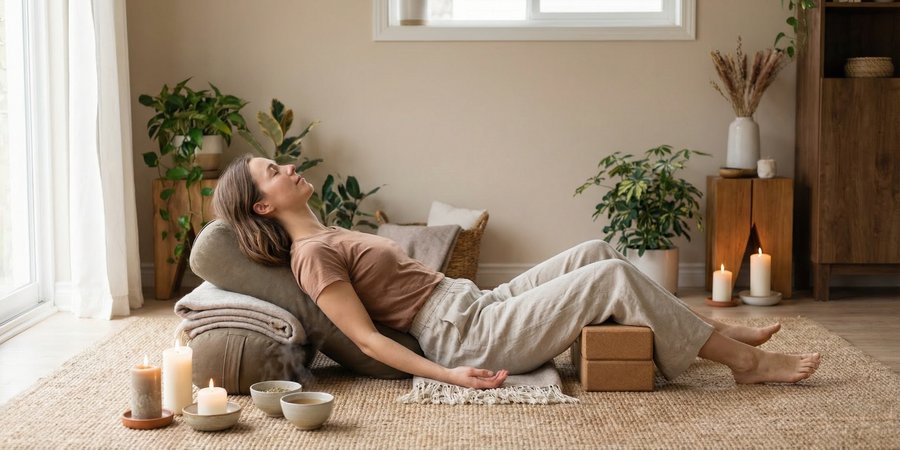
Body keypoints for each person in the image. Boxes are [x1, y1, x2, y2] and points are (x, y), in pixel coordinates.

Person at [212, 154, 820, 389]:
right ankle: (746, 364)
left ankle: (715, 332)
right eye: (273, 170)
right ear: (263, 204)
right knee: (614, 279)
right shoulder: (312, 255)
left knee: (595, 251)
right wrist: (449, 375)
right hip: (463, 332)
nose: (289, 165)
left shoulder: (329, 232)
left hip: (473, 301)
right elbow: (365, 338)